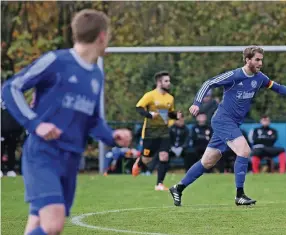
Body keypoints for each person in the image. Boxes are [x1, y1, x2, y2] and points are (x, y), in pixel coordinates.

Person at [1, 9, 132, 235]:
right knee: (53, 225)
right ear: (102, 36)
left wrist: (111, 136)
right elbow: (10, 88)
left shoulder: (95, 75)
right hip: (44, 154)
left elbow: (91, 121)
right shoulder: (56, 61)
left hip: (71, 158)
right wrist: (35, 124)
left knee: (39, 225)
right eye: (108, 35)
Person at [169, 45, 286, 207]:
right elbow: (208, 83)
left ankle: (178, 188)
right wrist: (196, 103)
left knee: (208, 162)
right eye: (257, 60)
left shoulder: (260, 78)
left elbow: (277, 87)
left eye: (261, 60)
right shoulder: (234, 75)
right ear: (247, 60)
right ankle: (240, 195)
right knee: (244, 150)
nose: (260, 63)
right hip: (223, 120)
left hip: (232, 123)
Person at [133, 71, 182, 191]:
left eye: (169, 81)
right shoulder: (150, 95)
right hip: (150, 131)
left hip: (164, 131)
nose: (169, 83)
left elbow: (170, 113)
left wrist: (176, 116)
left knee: (164, 156)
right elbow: (138, 108)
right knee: (147, 158)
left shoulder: (170, 98)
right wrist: (149, 115)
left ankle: (159, 184)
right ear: (159, 82)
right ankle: (139, 163)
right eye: (166, 81)